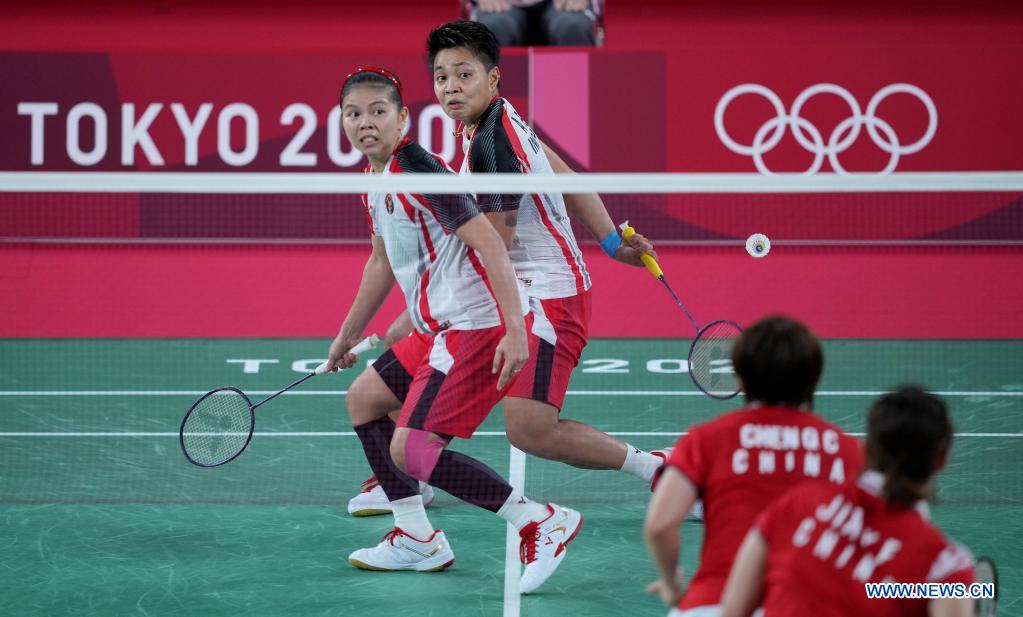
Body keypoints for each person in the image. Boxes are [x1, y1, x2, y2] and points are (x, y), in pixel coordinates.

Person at [348, 19, 671, 522]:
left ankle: (658, 471)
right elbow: (563, 174)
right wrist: (611, 242)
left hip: (549, 298)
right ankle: (409, 477)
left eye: (464, 75)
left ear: (493, 78)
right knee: (384, 387)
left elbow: (492, 246)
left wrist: (417, 314)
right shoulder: (493, 120)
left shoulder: (491, 146)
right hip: (513, 291)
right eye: (441, 77)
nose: (451, 88)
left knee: (530, 430)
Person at [326, 66, 581, 591]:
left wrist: (515, 330)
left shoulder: (420, 172)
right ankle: (416, 538)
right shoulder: (375, 179)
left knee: (412, 450)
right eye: (353, 113)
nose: (365, 122)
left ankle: (537, 519)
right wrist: (348, 333)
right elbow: (380, 262)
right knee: (364, 401)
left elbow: (491, 244)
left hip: (472, 325)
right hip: (436, 325)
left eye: (378, 111)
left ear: (402, 118)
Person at [644, 315, 866, 616]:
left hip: (713, 603)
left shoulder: (707, 439)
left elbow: (660, 524)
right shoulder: (849, 452)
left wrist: (672, 584)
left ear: (741, 379)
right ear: (814, 378)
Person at [721, 387, 976, 617]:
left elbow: (733, 610)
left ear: (866, 448)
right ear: (941, 459)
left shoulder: (798, 503)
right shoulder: (944, 567)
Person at [469, 0, 600, 46]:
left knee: (571, 27)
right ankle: (494, 101)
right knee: (494, 29)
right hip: (500, 5)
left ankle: (575, 96)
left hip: (562, 5)